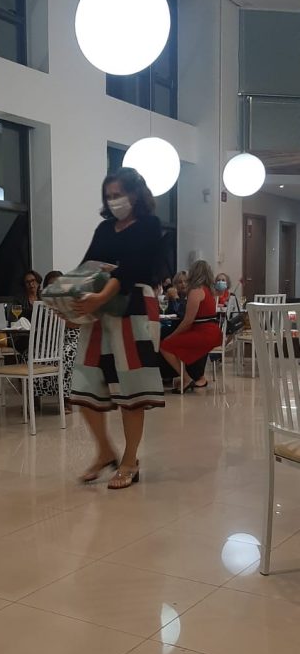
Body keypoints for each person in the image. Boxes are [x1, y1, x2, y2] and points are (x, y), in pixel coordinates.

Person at [71, 166, 164, 490]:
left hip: (134, 308)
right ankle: (105, 451)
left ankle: (130, 460)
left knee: (131, 389)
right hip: (101, 311)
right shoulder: (104, 229)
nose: (113, 201)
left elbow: (132, 269)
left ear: (135, 194)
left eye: (118, 194)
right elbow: (88, 267)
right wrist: (69, 301)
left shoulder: (150, 225)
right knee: (83, 383)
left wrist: (99, 297)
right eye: (108, 196)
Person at [160, 260, 222, 393]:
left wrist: (172, 336)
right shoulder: (208, 291)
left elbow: (188, 321)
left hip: (204, 334)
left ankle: (186, 378)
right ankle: (191, 376)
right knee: (176, 343)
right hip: (212, 332)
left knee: (165, 345)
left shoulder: (196, 291)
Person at [35, 271, 79, 415]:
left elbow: (78, 323)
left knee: (66, 355)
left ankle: (66, 399)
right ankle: (34, 398)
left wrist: (61, 319)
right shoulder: (43, 305)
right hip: (50, 343)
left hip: (71, 340)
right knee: (30, 355)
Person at [166, 270, 209, 389]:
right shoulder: (174, 296)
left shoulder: (192, 296)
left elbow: (183, 315)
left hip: (194, 331)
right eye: (179, 282)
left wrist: (176, 299)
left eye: (185, 281)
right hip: (179, 329)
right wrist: (171, 299)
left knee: (166, 341)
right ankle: (168, 374)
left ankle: (189, 376)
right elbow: (168, 312)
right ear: (175, 285)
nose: (183, 284)